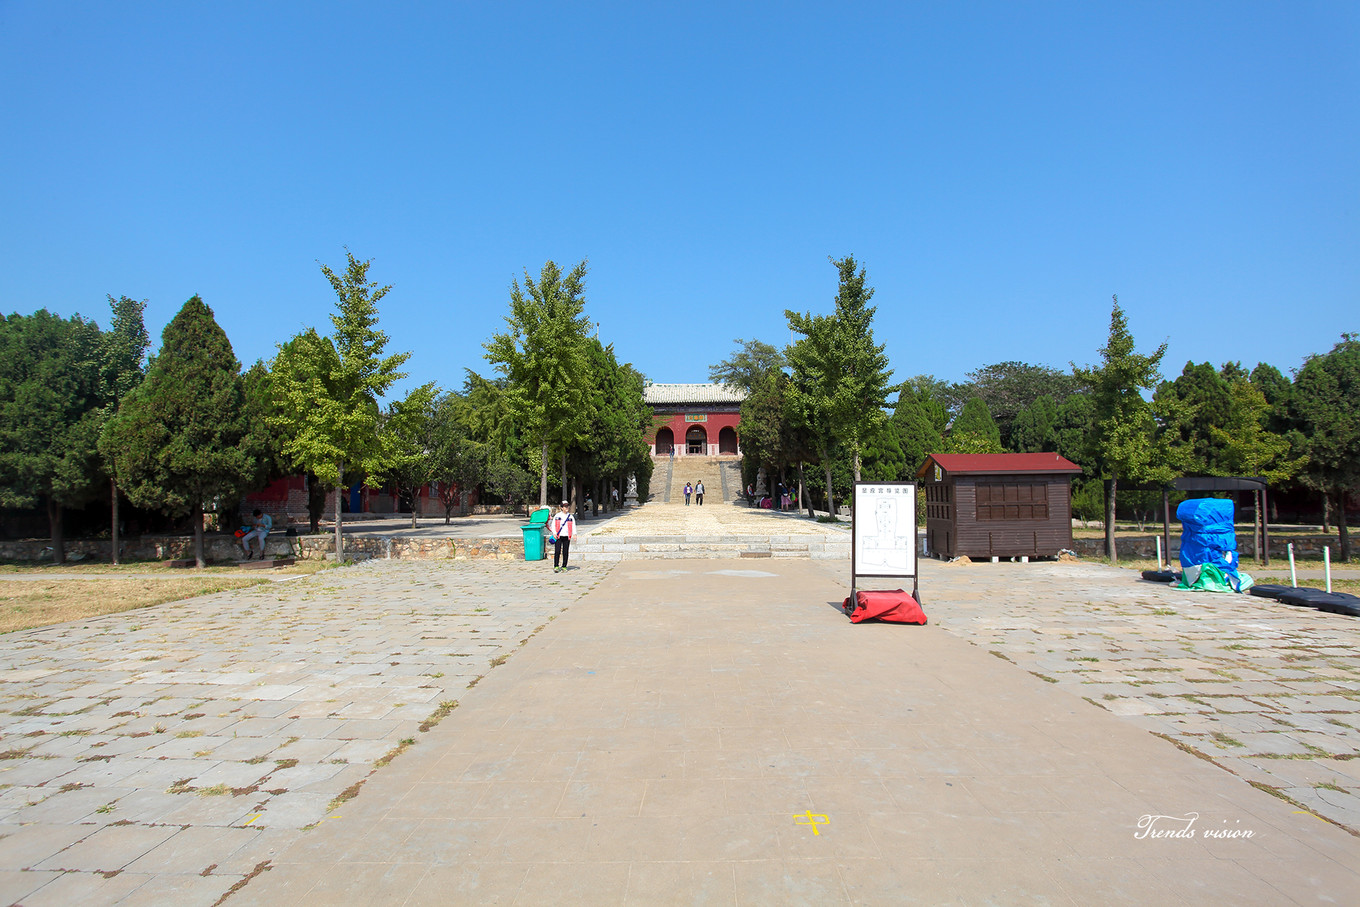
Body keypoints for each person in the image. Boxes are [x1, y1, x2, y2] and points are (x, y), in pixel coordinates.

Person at [548, 500, 576, 572]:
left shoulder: (570, 517)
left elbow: (573, 526)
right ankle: (556, 566)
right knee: (557, 551)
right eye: (565, 506)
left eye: (567, 506)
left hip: (567, 536)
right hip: (558, 536)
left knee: (565, 552)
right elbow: (553, 525)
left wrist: (574, 534)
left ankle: (564, 566)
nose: (567, 508)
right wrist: (554, 533)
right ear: (561, 508)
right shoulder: (557, 516)